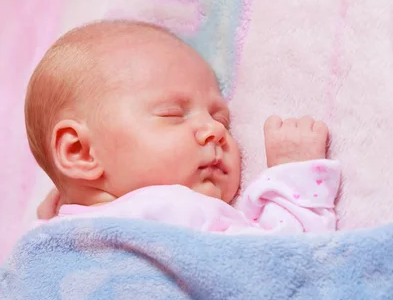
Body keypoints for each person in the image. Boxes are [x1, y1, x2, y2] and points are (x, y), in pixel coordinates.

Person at [27, 20, 340, 233]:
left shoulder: (54, 234)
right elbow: (278, 266)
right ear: (79, 152)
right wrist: (294, 177)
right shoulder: (176, 212)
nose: (214, 131)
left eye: (222, 120)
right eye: (172, 114)